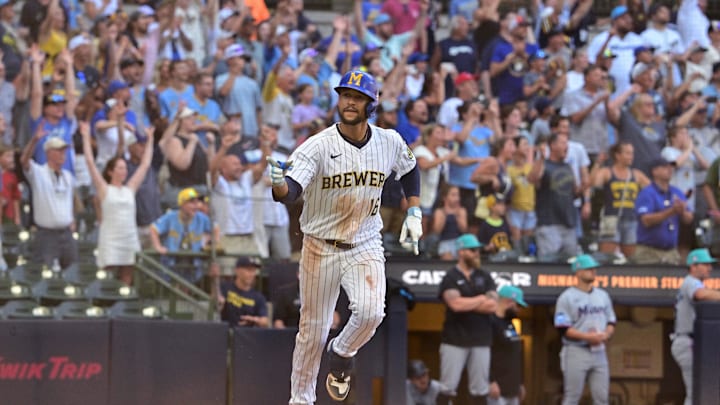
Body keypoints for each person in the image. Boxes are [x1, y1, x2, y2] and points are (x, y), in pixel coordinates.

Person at [268, 70, 421, 403]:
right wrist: (279, 184)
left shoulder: (389, 141)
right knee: (313, 330)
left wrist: (414, 211)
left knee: (371, 313)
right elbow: (291, 190)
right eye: (346, 95)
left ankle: (343, 352)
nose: (350, 102)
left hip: (365, 240)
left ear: (371, 104)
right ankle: (301, 400)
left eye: (357, 97)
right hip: (320, 246)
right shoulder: (318, 145)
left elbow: (410, 171)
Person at [81, 121, 153, 285]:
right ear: (110, 171)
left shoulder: (130, 189)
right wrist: (86, 136)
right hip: (111, 236)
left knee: (127, 274)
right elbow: (90, 163)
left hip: (128, 235)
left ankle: (124, 304)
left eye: (124, 168)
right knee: (107, 274)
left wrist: (150, 140)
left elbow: (145, 165)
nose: (124, 171)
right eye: (120, 168)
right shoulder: (104, 189)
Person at [437, 233, 497, 405]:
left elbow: (493, 305)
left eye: (477, 250)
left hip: (481, 339)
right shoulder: (451, 277)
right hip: (454, 339)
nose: (477, 253)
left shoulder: (484, 275)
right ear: (461, 252)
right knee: (447, 388)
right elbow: (455, 304)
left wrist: (467, 302)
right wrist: (480, 299)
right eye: (472, 250)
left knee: (480, 390)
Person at [554, 254, 616, 405]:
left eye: (594, 269)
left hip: (599, 351)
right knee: (572, 397)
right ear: (578, 272)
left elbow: (611, 321)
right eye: (589, 269)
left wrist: (606, 334)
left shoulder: (603, 295)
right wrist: (588, 337)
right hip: (576, 350)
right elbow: (563, 328)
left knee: (602, 399)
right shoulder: (566, 297)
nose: (593, 271)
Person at [20, 128, 77, 268]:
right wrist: (34, 140)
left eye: (63, 150)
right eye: (58, 150)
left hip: (66, 231)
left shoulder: (68, 176)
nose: (62, 154)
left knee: (72, 269)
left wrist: (72, 218)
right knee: (44, 269)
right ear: (48, 153)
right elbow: (24, 161)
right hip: (46, 233)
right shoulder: (38, 172)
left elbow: (69, 201)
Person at [672, 248, 720, 405]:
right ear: (693, 266)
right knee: (695, 392)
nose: (710, 268)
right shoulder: (691, 281)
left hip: (690, 341)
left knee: (700, 391)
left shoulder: (694, 283)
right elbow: (701, 294)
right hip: (687, 341)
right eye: (705, 264)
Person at [590, 142, 650, 259]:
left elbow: (652, 190)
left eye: (632, 153)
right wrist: (598, 164)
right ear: (618, 155)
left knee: (631, 257)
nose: (631, 157)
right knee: (608, 256)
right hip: (611, 218)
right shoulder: (607, 172)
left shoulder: (636, 175)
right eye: (627, 153)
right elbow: (592, 183)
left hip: (631, 218)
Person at [633, 158, 694, 265]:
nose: (670, 169)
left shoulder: (676, 192)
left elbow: (689, 219)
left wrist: (682, 211)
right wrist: (671, 211)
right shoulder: (647, 193)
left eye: (671, 167)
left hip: (671, 253)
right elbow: (646, 220)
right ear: (654, 171)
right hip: (648, 252)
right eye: (665, 167)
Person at [488, 285, 528, 405]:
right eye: (517, 306)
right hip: (496, 389)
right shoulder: (491, 322)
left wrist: (520, 383)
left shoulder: (510, 324)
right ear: (509, 302)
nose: (519, 310)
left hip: (512, 390)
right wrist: (490, 381)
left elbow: (515, 354)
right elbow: (484, 354)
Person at [219, 256, 269, 328]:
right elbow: (217, 302)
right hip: (225, 333)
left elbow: (265, 321)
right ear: (237, 271)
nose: (252, 274)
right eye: (249, 270)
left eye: (254, 271)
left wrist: (254, 319)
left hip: (246, 336)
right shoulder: (225, 287)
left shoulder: (258, 297)